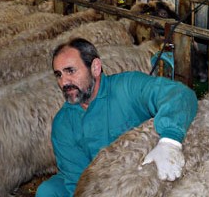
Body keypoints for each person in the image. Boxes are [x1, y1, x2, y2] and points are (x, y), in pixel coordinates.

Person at [36, 38, 198, 197]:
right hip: (97, 186)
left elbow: (179, 94)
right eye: (58, 74)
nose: (64, 82)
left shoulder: (127, 86)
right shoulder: (63, 123)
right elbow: (76, 181)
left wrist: (170, 141)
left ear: (95, 67)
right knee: (48, 191)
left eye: (71, 71)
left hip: (140, 174)